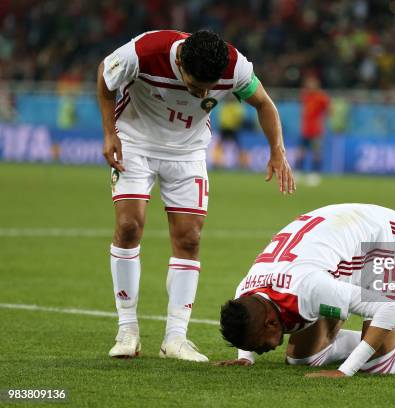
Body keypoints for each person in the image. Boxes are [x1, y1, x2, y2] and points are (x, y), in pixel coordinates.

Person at [97, 29, 295, 363]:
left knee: (189, 238)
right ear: (179, 61)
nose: (202, 92)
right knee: (130, 226)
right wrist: (108, 132)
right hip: (135, 142)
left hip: (188, 153)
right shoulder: (145, 52)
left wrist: (278, 151)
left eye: (208, 86)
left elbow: (263, 103)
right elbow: (105, 77)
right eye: (194, 83)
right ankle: (127, 331)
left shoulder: (234, 66)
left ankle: (176, 338)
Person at [217, 204, 395, 377]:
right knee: (302, 358)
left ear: (268, 321)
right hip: (341, 248)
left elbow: (385, 308)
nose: (262, 350)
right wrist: (245, 358)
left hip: (390, 241)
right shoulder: (247, 292)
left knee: (378, 364)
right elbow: (250, 317)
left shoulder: (310, 288)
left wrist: (345, 370)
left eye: (257, 345)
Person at [295, 76, 329, 185]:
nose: (309, 87)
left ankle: (315, 175)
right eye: (308, 85)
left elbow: (328, 110)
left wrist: (321, 121)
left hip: (316, 130)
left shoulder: (321, 97)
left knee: (316, 153)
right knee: (301, 152)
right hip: (305, 130)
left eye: (312, 84)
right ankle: (298, 172)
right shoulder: (305, 96)